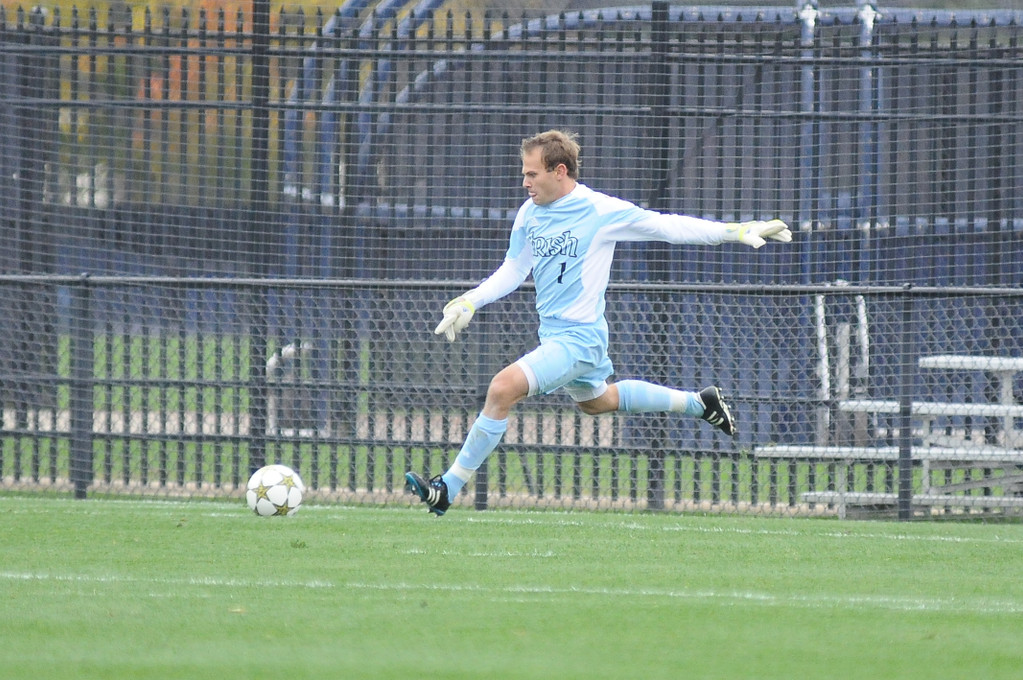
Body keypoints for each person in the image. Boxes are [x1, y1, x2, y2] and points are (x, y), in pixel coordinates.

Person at [406, 129, 791, 515]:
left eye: (532, 174)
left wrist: (735, 231)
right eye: (524, 174)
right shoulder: (529, 213)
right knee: (598, 402)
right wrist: (470, 301)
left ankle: (447, 488)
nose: (525, 182)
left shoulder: (599, 210)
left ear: (559, 171)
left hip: (580, 339)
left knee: (502, 388)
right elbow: (514, 268)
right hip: (555, 335)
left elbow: (667, 226)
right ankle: (699, 403)